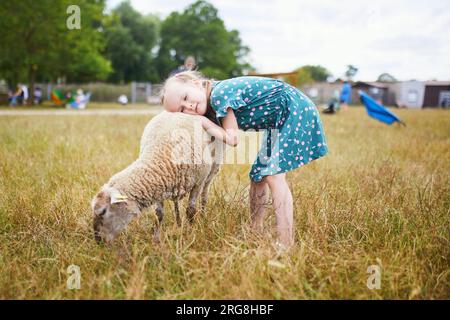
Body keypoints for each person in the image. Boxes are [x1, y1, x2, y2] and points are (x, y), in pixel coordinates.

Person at [160, 71, 328, 249]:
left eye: (186, 97)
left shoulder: (219, 95)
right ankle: (255, 230)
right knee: (258, 176)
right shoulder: (211, 102)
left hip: (294, 108)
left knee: (273, 175)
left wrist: (204, 122)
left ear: (196, 83)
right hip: (279, 119)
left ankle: (286, 242)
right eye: (182, 110)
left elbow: (232, 139)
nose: (189, 106)